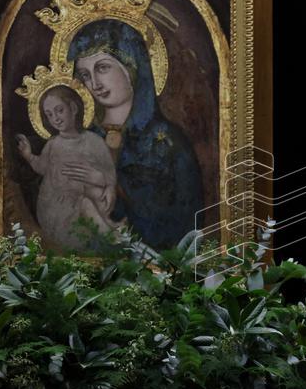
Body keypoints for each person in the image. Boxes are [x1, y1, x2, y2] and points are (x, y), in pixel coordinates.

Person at [67, 19, 205, 250]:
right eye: (85, 74)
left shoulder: (167, 142)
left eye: (102, 68)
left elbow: (185, 217)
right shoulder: (82, 137)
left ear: (131, 66)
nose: (94, 83)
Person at [15, 84, 118, 250]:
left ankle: (109, 228)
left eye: (59, 110)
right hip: (57, 206)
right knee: (86, 203)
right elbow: (42, 168)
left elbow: (109, 171)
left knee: (95, 193)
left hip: (85, 198)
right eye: (49, 114)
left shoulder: (94, 141)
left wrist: (109, 186)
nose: (55, 118)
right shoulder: (53, 144)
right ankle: (110, 236)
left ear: (73, 108)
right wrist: (29, 156)